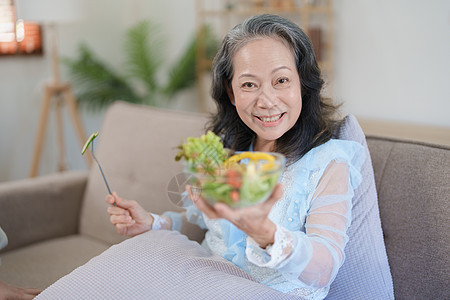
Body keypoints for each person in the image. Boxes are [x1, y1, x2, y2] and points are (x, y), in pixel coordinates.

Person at [106, 14, 365, 299]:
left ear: (302, 84)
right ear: (231, 93)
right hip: (203, 281)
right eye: (249, 85)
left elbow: (325, 267)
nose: (266, 101)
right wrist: (154, 223)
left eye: (281, 80)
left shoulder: (327, 162)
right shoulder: (226, 148)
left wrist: (266, 233)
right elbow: (205, 223)